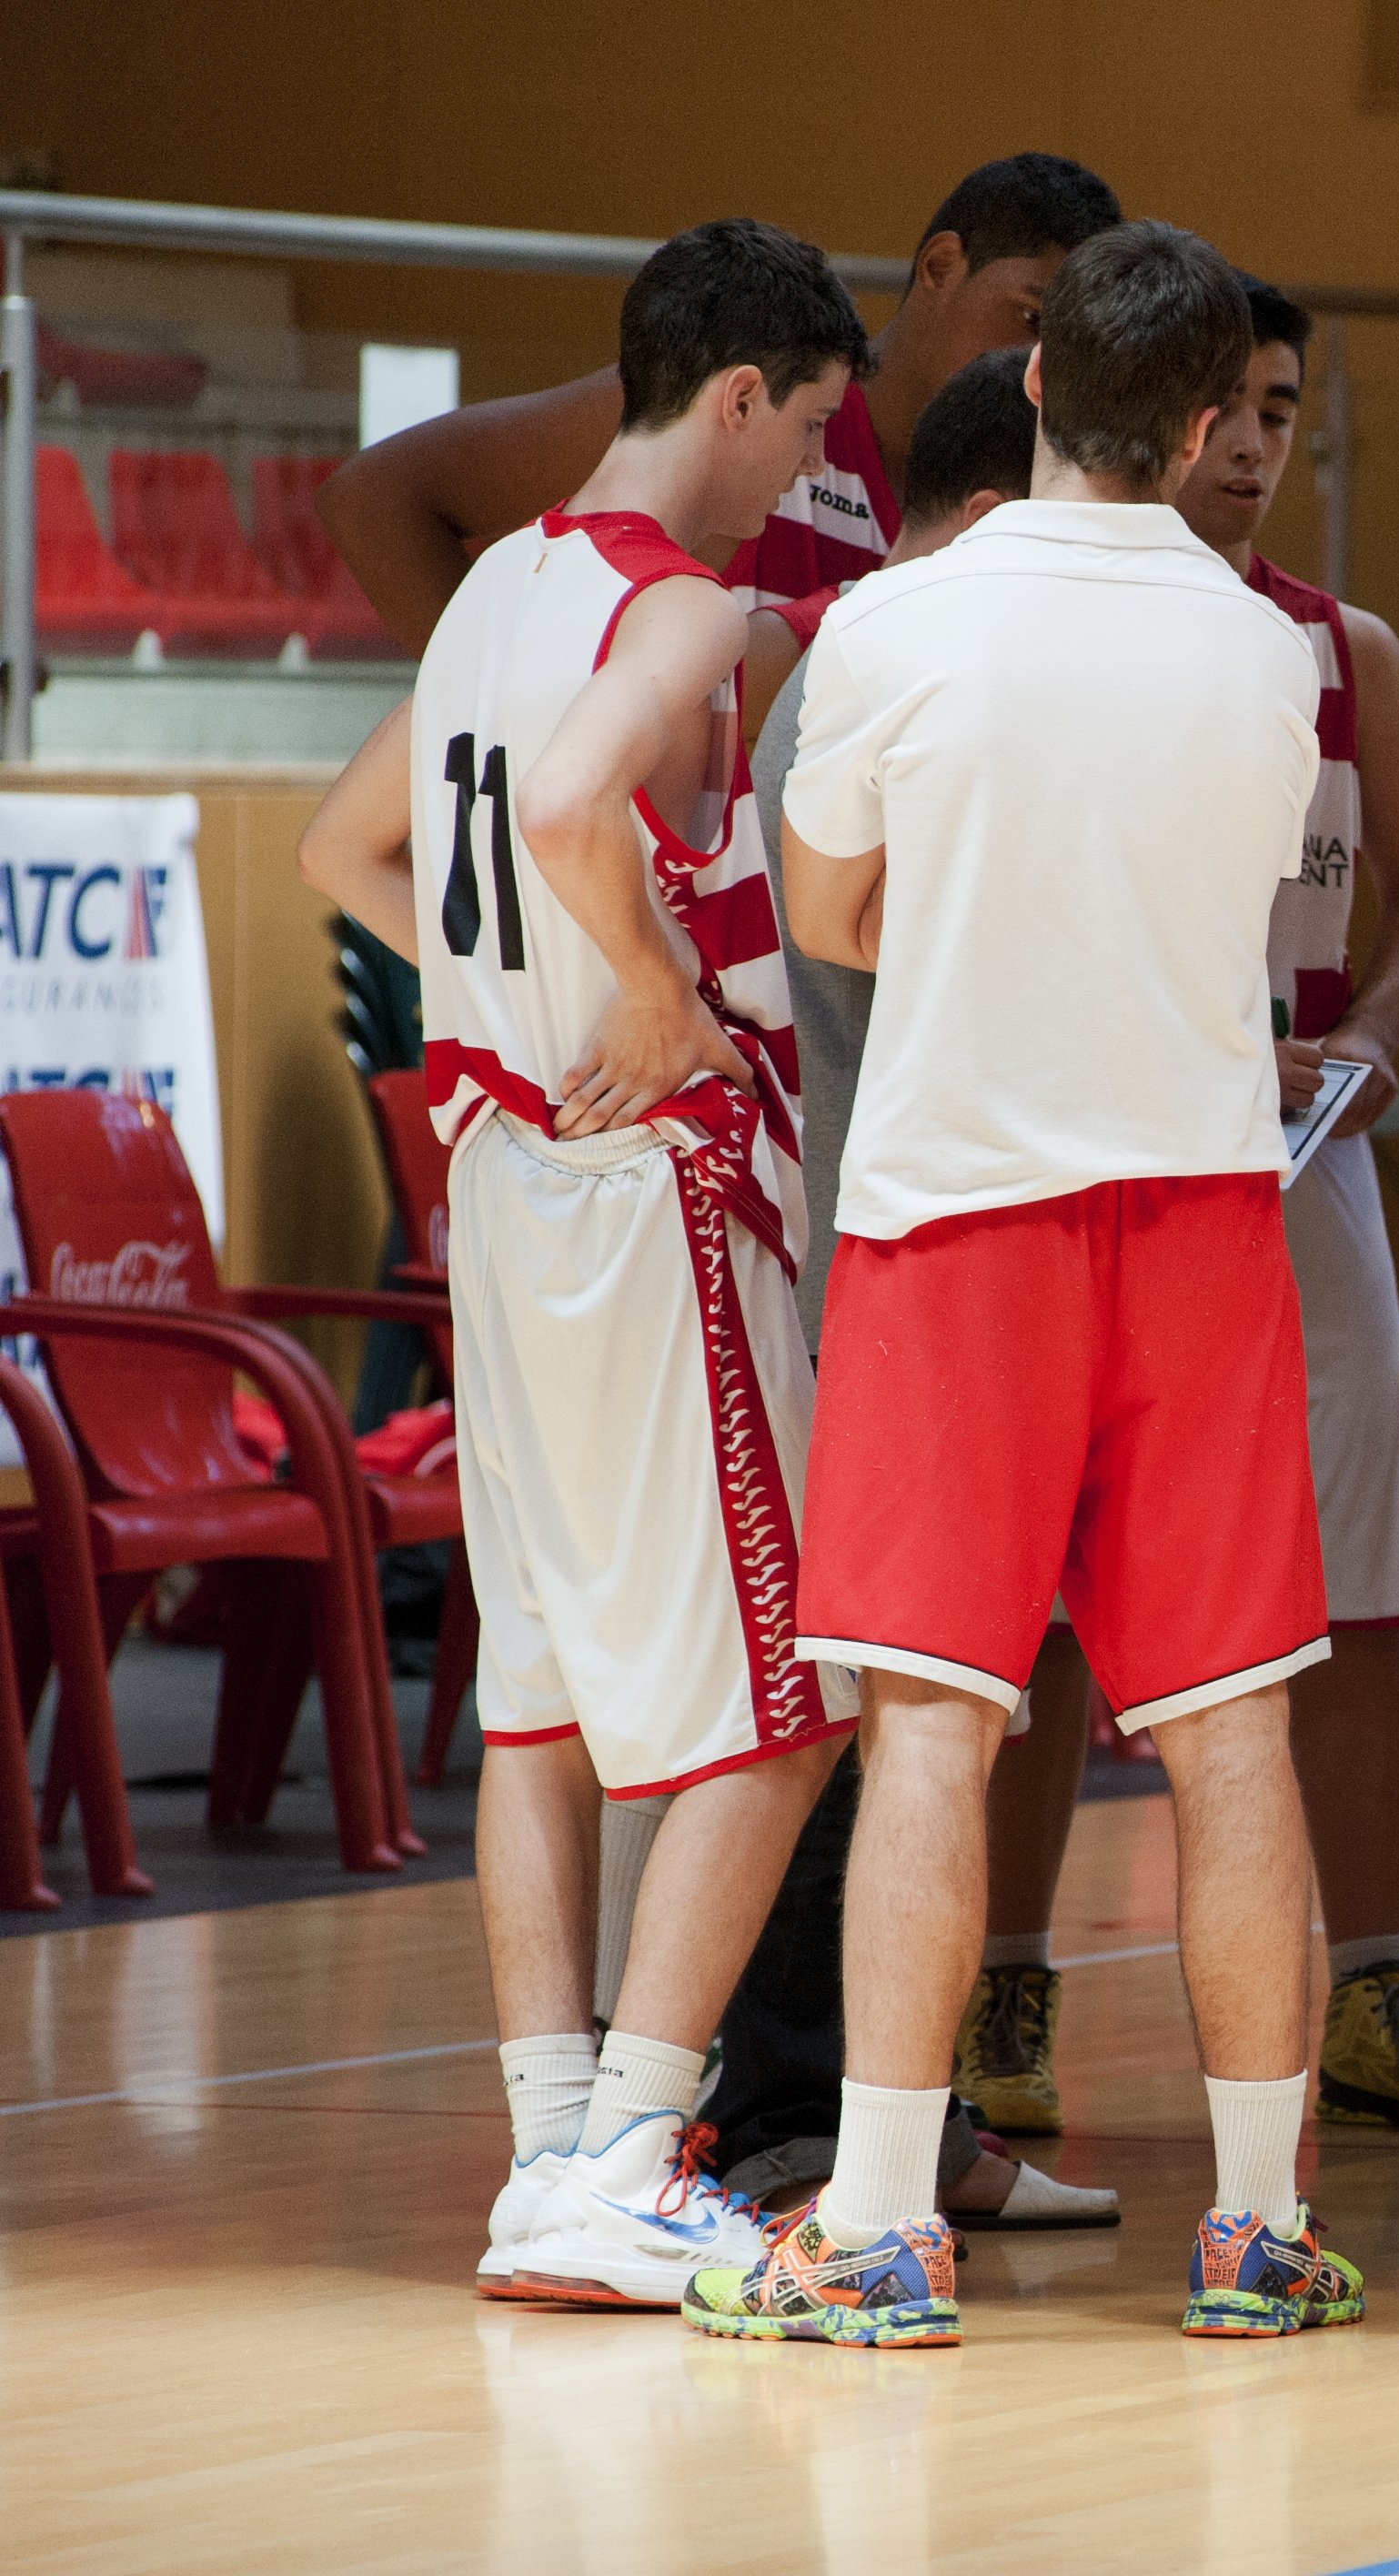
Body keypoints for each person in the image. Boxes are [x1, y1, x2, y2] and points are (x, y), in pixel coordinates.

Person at [703, 221, 1357, 2348]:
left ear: (1040, 378)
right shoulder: (1273, 651)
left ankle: (882, 2223)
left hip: (956, 1212)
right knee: (1238, 1736)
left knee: (927, 1734)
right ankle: (1260, 2230)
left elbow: (836, 916)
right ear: (1195, 419)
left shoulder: (889, 622)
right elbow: (1233, 908)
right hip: (1194, 1219)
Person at [291, 219, 872, 2309]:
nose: (807, 473)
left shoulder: (489, 595)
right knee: (795, 1688)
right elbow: (566, 802)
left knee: (536, 1691)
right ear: (739, 395)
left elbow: (341, 851)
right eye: (807, 429)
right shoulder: (684, 599)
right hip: (638, 1188)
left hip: (495, 1178)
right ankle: (634, 2133)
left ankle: (553, 2149)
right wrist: (647, 990)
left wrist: (508, 1005)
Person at [705, 346, 1111, 2232]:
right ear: (986, 510)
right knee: (885, 1698)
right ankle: (793, 2116)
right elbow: (846, 936)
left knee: (949, 1699)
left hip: (975, 1235)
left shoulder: (941, 657)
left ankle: (907, 2117)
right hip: (893, 1238)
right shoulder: (879, 658)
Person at [1166, 276, 1399, 2136]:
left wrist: (1377, 1037)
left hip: (1305, 1162)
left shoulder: (1350, 649)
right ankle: (995, 1998)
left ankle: (1376, 1980)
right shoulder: (1079, 637)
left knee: (1372, 1591)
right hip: (1121, 1152)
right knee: (1065, 1620)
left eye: (1281, 411)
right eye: (1223, 406)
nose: (1250, 443)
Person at [319, 153, 1124, 656]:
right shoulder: (744, 404)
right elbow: (375, 498)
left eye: (1067, 345)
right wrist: (487, 711)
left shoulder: (1026, 501)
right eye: (1029, 317)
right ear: (942, 266)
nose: (1037, 363)